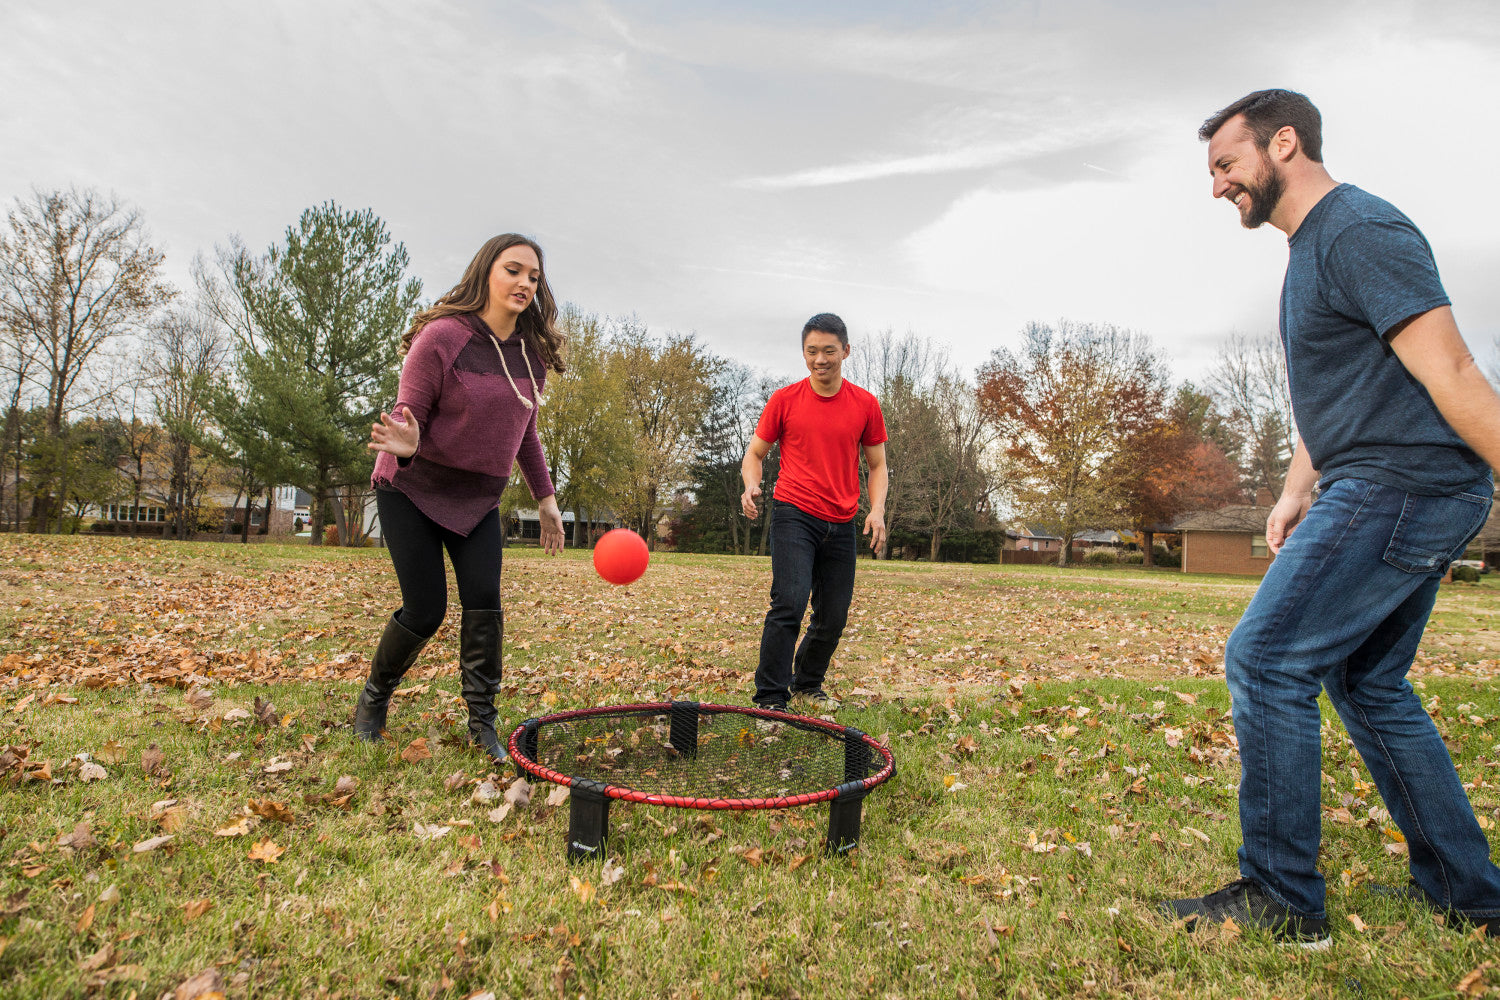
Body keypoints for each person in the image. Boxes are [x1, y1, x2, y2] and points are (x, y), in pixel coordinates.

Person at [1163, 89, 1500, 947]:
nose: (1217, 188)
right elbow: (1342, 388)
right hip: (1382, 478)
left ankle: (1284, 900)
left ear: (1285, 144)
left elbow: (1453, 369)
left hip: (1406, 482)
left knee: (1267, 658)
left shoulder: (1360, 232)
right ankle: (1470, 892)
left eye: (1226, 165)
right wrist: (1292, 487)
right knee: (1367, 682)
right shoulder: (1312, 249)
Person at [354, 234, 567, 763]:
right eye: (513, 270)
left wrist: (545, 498)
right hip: (412, 488)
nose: (524, 283)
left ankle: (483, 725)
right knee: (426, 610)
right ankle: (372, 702)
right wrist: (407, 442)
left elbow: (525, 429)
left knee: (484, 604)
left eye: (533, 277)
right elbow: (409, 413)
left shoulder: (530, 354)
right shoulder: (443, 337)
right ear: (486, 273)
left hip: (477, 501)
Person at [741, 313, 889, 712]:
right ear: (803, 353)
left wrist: (876, 511)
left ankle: (807, 684)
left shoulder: (865, 404)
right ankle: (770, 698)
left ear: (845, 350)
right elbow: (754, 453)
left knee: (833, 616)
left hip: (842, 522)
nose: (820, 359)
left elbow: (877, 465)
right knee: (789, 602)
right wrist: (751, 483)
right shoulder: (784, 400)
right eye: (812, 351)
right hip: (795, 513)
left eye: (828, 350)